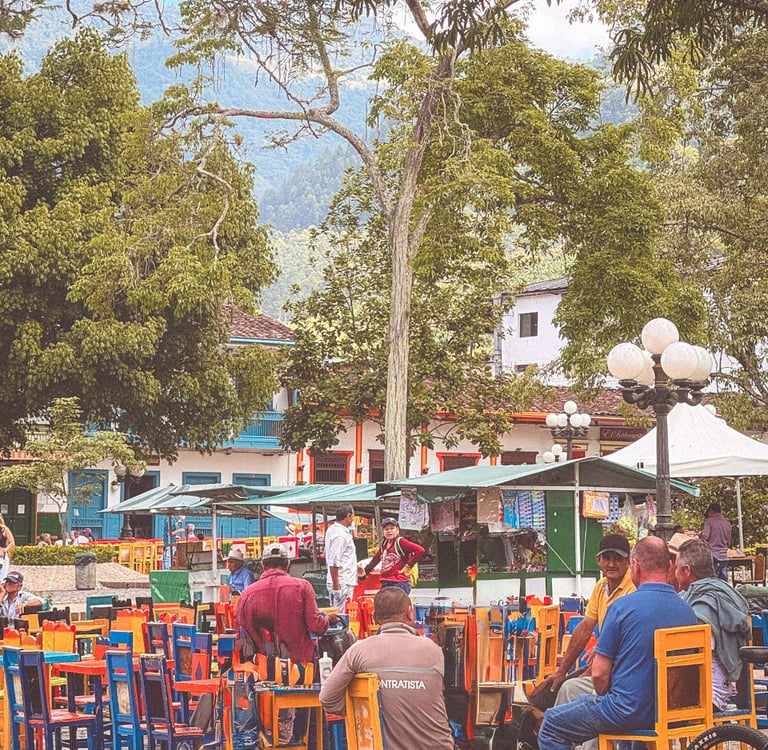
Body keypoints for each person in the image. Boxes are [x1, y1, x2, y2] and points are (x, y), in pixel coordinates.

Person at [538, 536, 698, 750]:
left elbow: (599, 674)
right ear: (669, 567)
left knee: (551, 724)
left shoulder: (622, 607)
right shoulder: (686, 611)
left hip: (627, 711)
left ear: (635, 566)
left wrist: (605, 697)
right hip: (673, 710)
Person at [320, 587, 455, 750]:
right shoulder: (434, 650)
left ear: (375, 617)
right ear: (409, 613)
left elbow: (327, 698)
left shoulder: (359, 651)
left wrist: (366, 711)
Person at [236, 543, 341, 745]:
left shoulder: (247, 594)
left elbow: (241, 639)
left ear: (262, 564)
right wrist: (328, 620)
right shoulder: (302, 586)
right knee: (314, 724)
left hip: (262, 676)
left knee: (266, 729)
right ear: (288, 564)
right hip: (301, 672)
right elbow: (317, 626)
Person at [547, 533, 636, 702]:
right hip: (605, 664)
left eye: (617, 558)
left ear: (628, 561)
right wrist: (561, 670)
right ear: (598, 560)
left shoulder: (633, 588)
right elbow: (585, 628)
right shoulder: (601, 586)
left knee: (569, 689)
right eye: (607, 558)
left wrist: (602, 649)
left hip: (621, 670)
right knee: (553, 688)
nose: (611, 564)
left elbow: (627, 637)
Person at [675, 538, 751, 711]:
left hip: (705, 696)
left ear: (686, 571)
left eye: (677, 567)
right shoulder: (725, 593)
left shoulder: (702, 605)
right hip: (723, 691)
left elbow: (688, 655)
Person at [362, 517, 425, 594]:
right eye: (386, 529)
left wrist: (408, 566)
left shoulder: (401, 542)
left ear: (397, 530)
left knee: (396, 605)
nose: (389, 531)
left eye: (392, 528)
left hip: (399, 583)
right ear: (383, 532)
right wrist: (365, 572)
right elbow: (376, 559)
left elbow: (420, 550)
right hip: (386, 582)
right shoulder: (384, 544)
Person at [324, 504, 363, 610]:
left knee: (340, 613)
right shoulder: (340, 535)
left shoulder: (332, 529)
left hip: (342, 580)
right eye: (353, 516)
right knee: (341, 615)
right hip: (342, 582)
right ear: (348, 516)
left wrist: (354, 566)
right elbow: (334, 562)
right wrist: (336, 586)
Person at [700, 502, 732, 581]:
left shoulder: (709, 521)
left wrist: (699, 536)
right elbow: (728, 541)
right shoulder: (727, 523)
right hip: (724, 555)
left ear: (711, 511)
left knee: (712, 580)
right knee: (723, 580)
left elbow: (705, 537)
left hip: (712, 554)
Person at [0, 514, 16, 581]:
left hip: (1, 555)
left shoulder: (5, 530)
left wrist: (4, 550)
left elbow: (12, 543)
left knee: (2, 576)